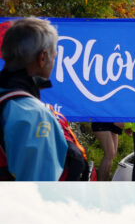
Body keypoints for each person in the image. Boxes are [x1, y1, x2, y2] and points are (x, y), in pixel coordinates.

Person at [0, 18, 84, 180]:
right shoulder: (34, 115)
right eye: (54, 56)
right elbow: (38, 191)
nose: (53, 62)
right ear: (43, 57)